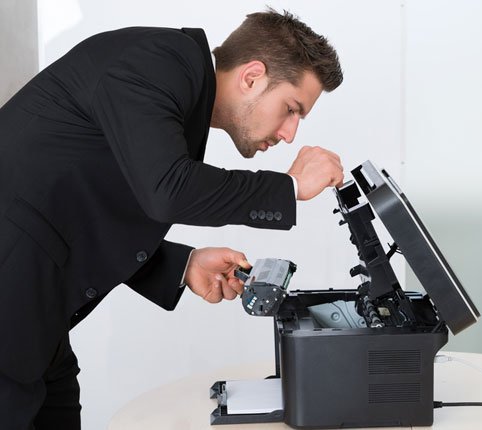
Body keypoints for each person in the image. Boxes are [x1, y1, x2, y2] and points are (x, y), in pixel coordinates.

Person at [0, 9, 344, 429]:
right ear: (252, 76)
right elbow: (167, 189)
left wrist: (182, 265)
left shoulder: (176, 85)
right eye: (291, 109)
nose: (290, 133)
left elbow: (94, 204)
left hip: (39, 322)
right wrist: (287, 188)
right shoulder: (159, 62)